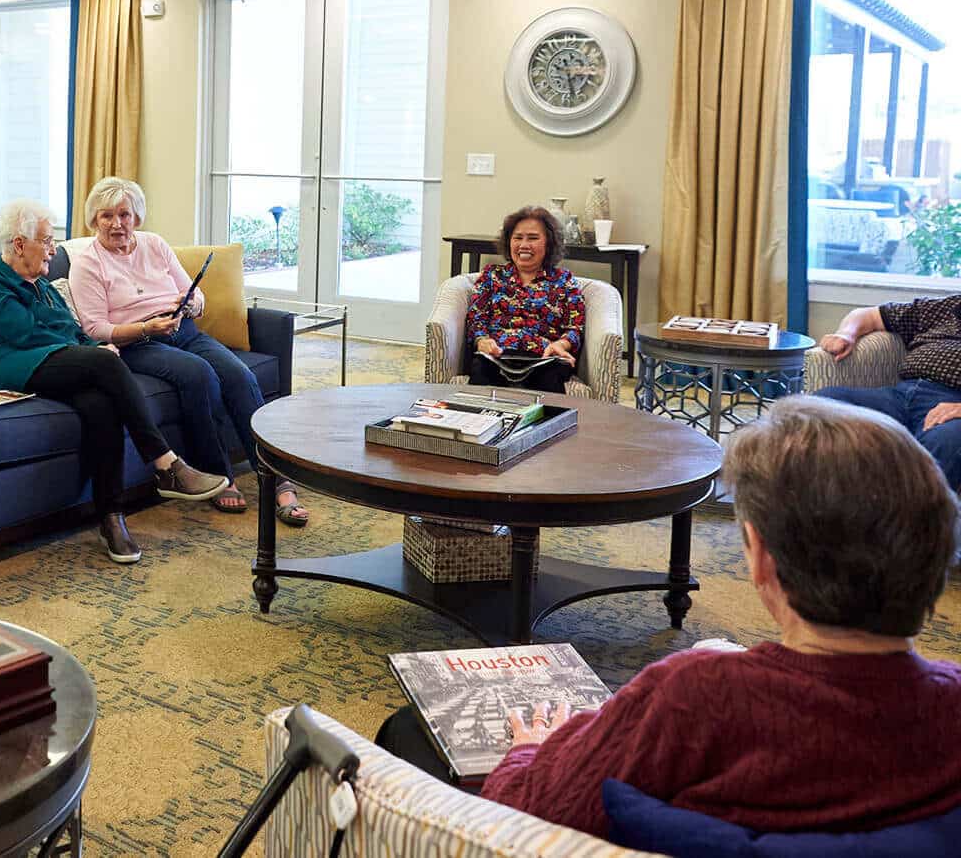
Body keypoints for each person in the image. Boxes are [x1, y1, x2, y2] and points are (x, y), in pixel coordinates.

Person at [376, 396, 961, 838]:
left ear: (761, 558)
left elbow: (529, 810)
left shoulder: (694, 694)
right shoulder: (949, 703)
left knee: (408, 731)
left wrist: (530, 749)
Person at [0, 199, 229, 564]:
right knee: (104, 363)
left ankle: (111, 518)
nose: (53, 249)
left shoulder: (43, 287)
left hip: (60, 364)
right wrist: (94, 354)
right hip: (19, 368)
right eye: (46, 241)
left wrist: (96, 346)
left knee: (100, 405)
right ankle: (166, 463)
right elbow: (28, 335)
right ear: (18, 244)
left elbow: (72, 331)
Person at [68, 177, 308, 524]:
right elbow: (94, 328)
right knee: (199, 375)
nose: (116, 224)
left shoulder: (154, 244)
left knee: (239, 376)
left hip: (185, 331)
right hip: (137, 343)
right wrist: (146, 327)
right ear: (94, 220)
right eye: (106, 216)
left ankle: (275, 476)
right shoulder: (89, 263)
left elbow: (197, 296)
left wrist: (190, 304)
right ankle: (218, 475)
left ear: (137, 217)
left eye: (124, 214)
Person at [816, 294, 961, 488]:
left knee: (945, 440)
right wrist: (846, 334)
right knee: (823, 405)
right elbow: (870, 315)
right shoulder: (942, 308)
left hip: (952, 406)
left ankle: (912, 515)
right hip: (899, 395)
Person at [465, 206, 585, 394]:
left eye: (533, 238)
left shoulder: (564, 280)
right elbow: (476, 317)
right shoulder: (492, 275)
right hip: (498, 355)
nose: (524, 245)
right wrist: (482, 340)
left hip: (544, 357)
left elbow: (575, 327)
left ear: (549, 243)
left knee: (550, 391)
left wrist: (560, 345)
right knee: (480, 374)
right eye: (518, 238)